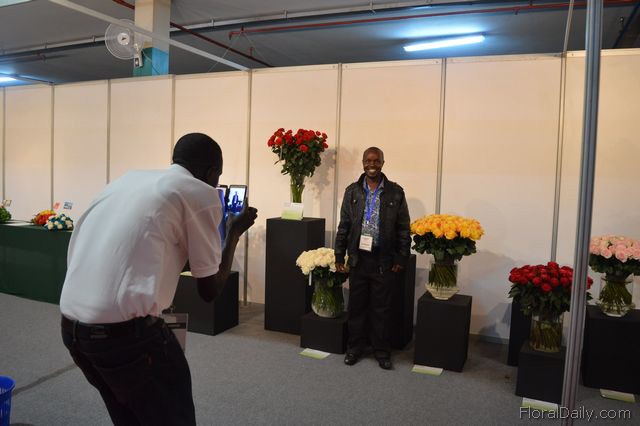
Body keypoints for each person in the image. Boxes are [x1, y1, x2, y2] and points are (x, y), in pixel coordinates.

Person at [59, 133, 257, 425]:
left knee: (129, 416)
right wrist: (235, 233)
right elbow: (210, 288)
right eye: (218, 177)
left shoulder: (126, 180)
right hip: (126, 338)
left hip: (73, 331)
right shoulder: (200, 193)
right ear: (211, 172)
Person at [334, 147, 410, 370]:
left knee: (381, 309)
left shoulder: (396, 192)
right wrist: (339, 254)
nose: (372, 164)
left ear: (383, 163)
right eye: (368, 160)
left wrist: (402, 257)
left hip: (383, 260)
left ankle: (381, 351)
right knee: (356, 307)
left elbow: (404, 228)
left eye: (376, 160)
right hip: (358, 258)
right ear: (363, 163)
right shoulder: (352, 191)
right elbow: (344, 225)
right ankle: (354, 348)